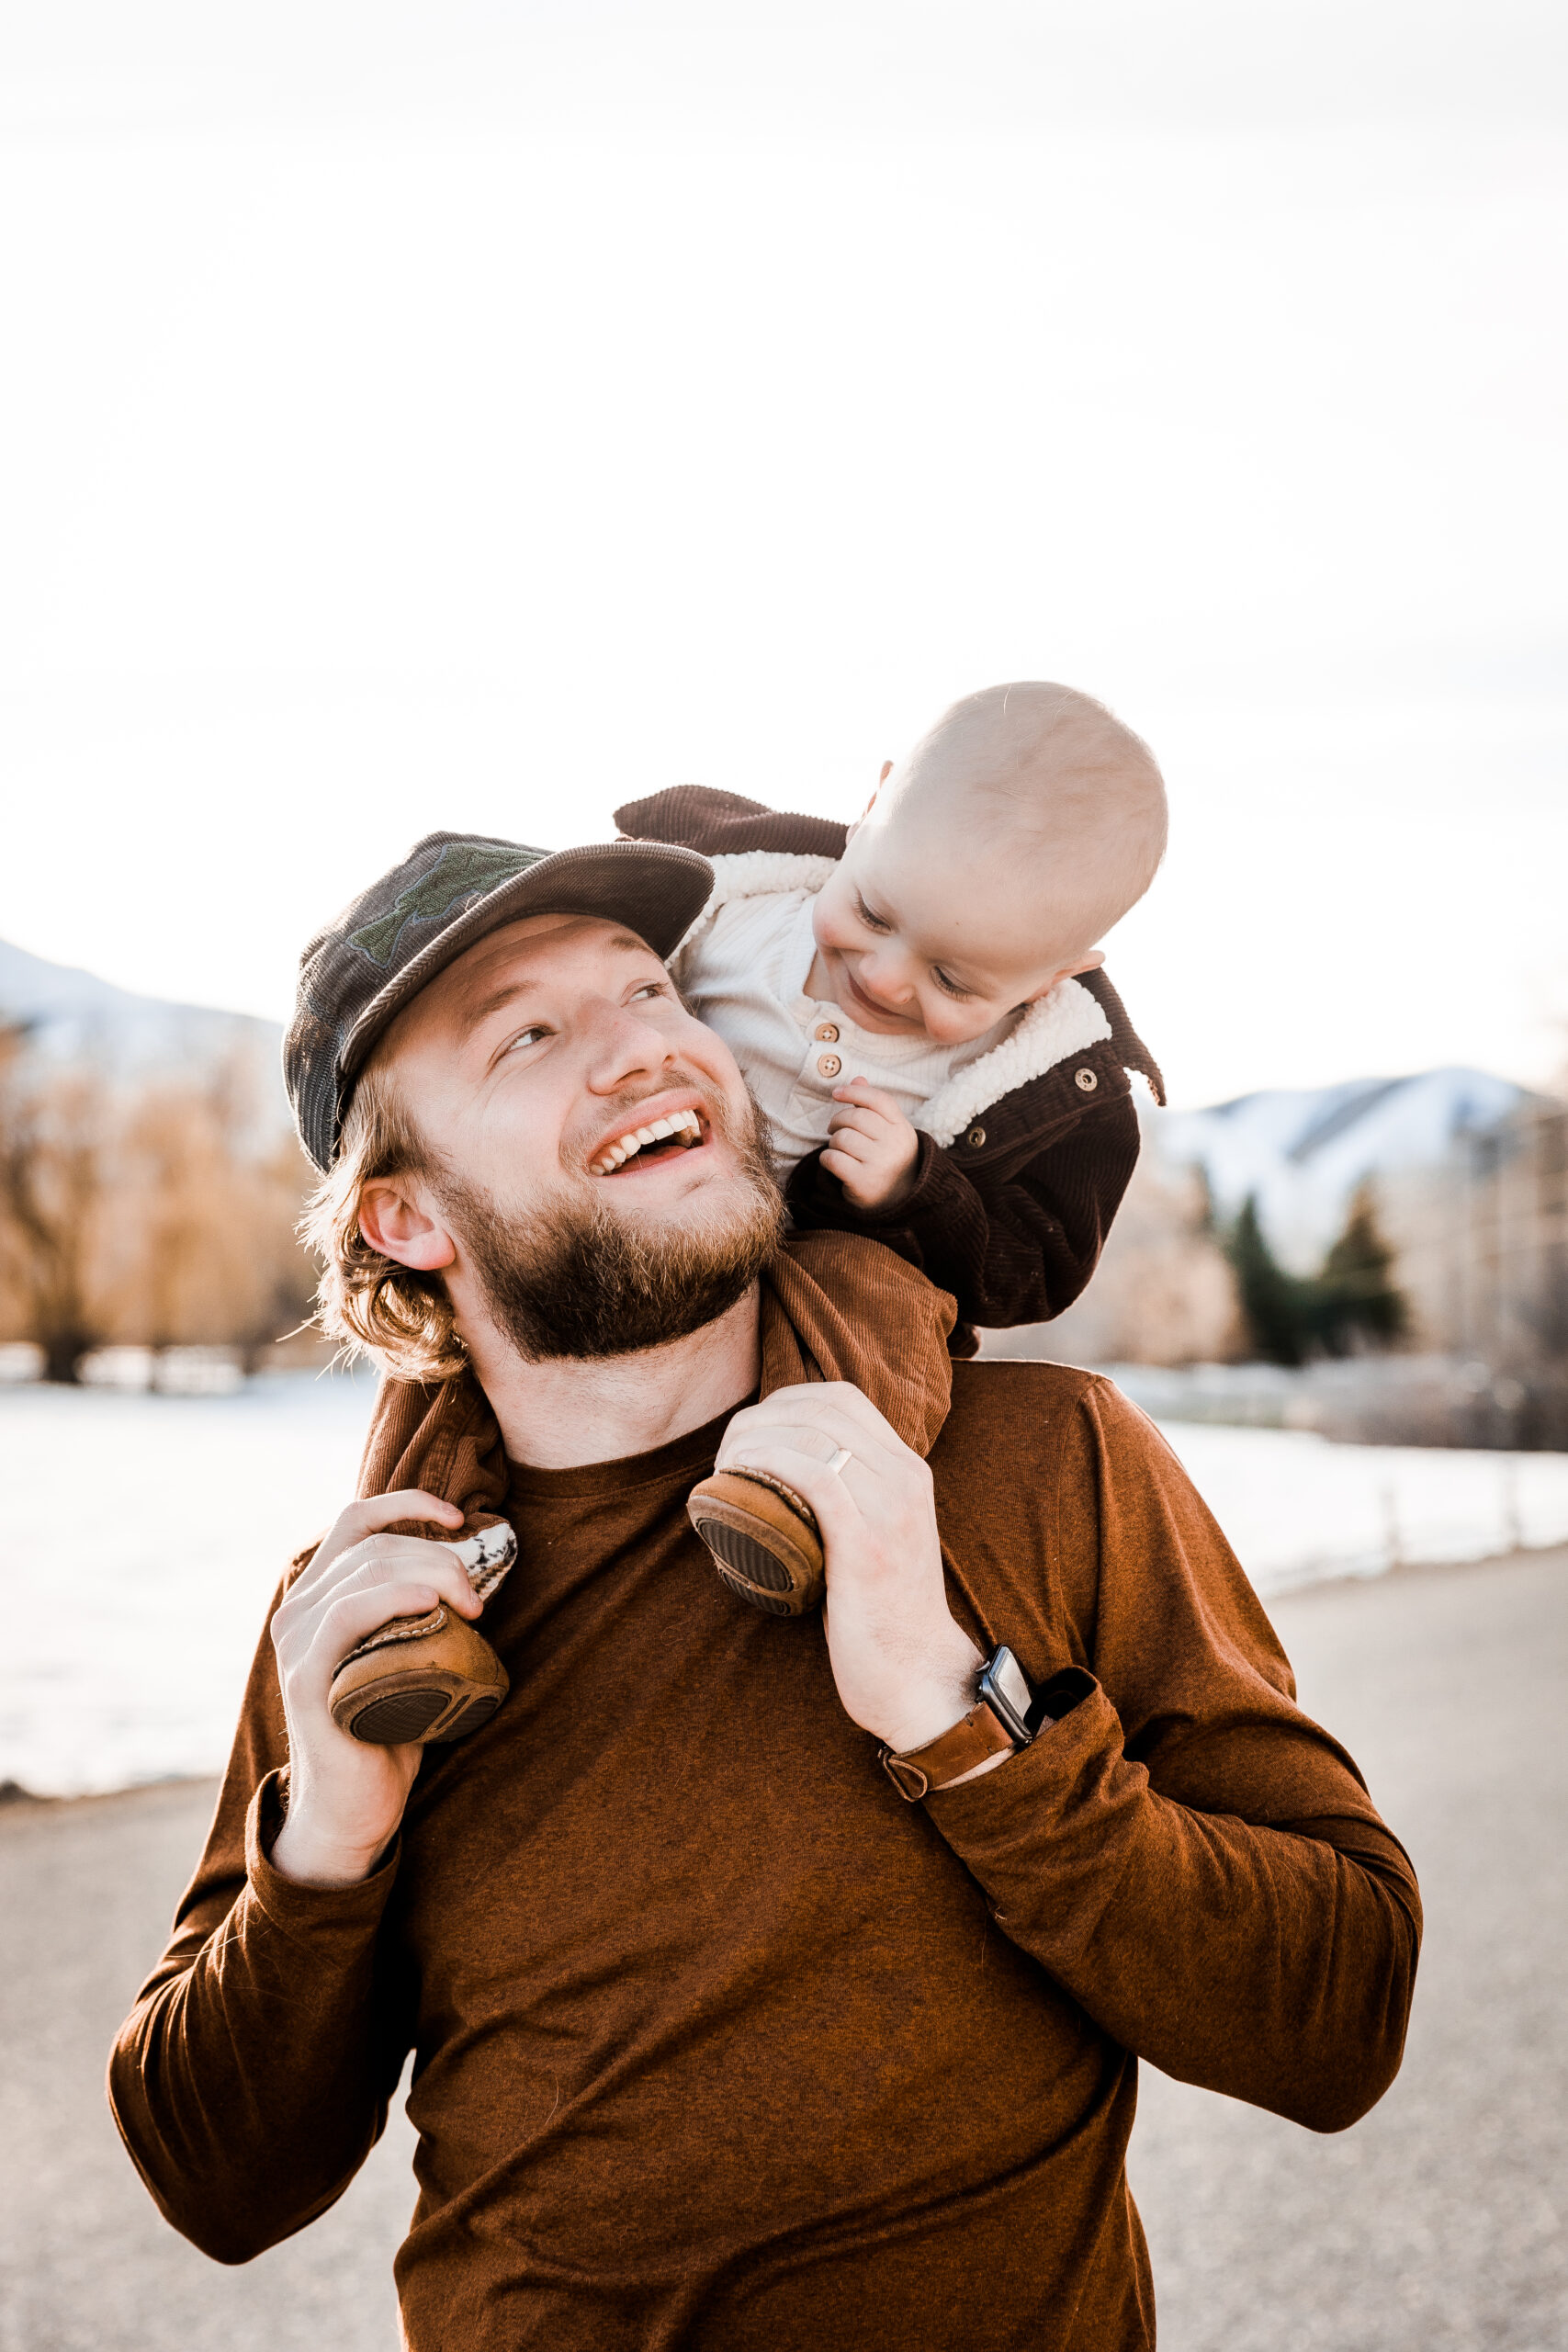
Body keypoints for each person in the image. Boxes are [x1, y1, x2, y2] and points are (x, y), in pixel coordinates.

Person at [108, 828, 1421, 2352]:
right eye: (528, 1035)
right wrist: (325, 1847)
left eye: (651, 991)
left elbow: (1338, 2020)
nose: (643, 1049)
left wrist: (960, 1719)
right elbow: (215, 2182)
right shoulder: (379, 1608)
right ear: (404, 1217)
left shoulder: (1044, 1466)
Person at [617, 679, 1168, 1338]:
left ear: (1049, 979)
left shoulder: (1050, 1096)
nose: (882, 980)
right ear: (870, 811)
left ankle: (802, 1442)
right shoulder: (728, 912)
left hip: (823, 1333)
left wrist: (914, 1191)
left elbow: (1036, 1275)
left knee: (890, 1325)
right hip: (635, 1241)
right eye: (871, 914)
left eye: (950, 981)